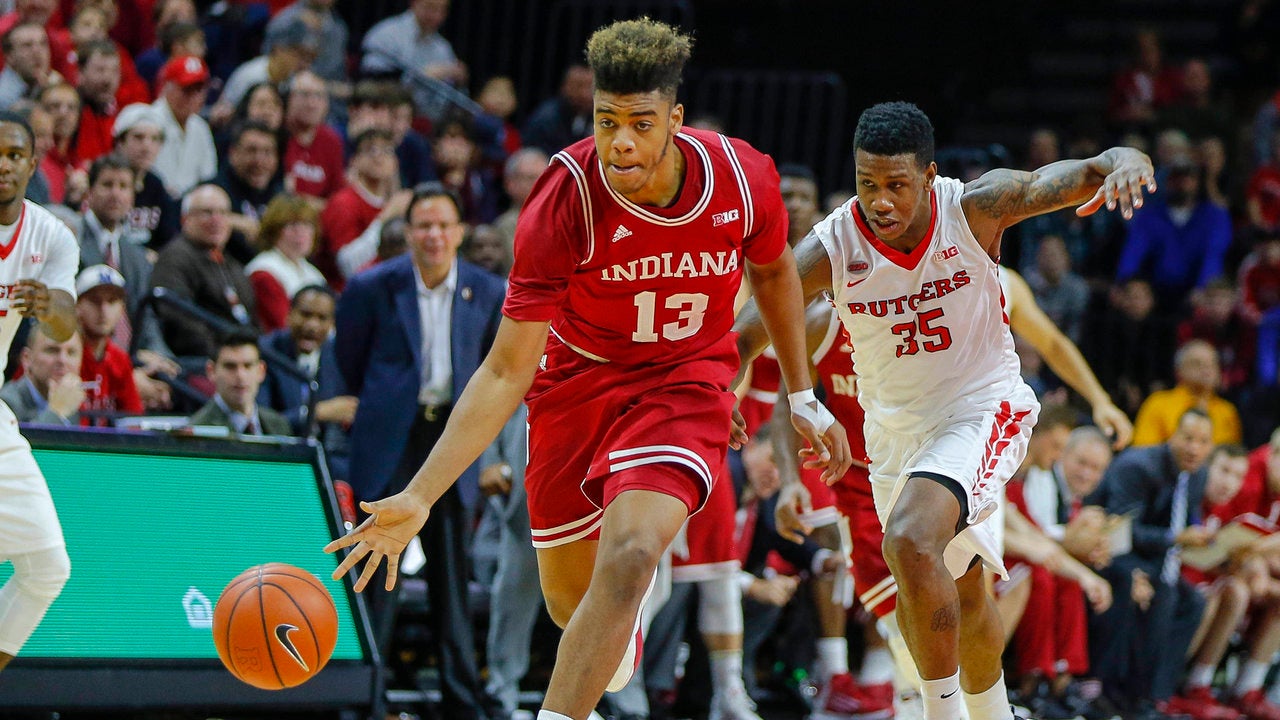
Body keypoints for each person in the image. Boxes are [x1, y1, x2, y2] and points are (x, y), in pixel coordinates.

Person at [326, 19, 848, 720]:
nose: (621, 141)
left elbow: (777, 274)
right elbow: (508, 369)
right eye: (607, 121)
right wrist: (421, 496)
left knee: (632, 553)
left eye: (640, 123)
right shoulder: (564, 195)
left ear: (676, 120)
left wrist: (802, 392)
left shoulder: (741, 176)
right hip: (578, 385)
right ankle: (614, 632)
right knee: (574, 611)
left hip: (686, 380)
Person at [736, 100, 1153, 720]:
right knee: (962, 588)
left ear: (929, 177)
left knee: (907, 539)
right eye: (867, 183)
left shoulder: (974, 206)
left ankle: (940, 713)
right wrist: (721, 389)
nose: (880, 201)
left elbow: (1082, 172)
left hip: (983, 409)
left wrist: (1126, 159)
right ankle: (992, 713)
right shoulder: (836, 241)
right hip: (894, 435)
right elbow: (752, 325)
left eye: (897, 185)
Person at [334, 183, 506, 719]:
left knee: (451, 576)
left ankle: (461, 698)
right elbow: (351, 360)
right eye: (423, 226)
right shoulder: (371, 287)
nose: (433, 235)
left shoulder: (489, 290)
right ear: (407, 233)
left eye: (443, 225)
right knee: (375, 573)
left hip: (453, 439)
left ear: (460, 232)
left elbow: (496, 374)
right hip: (390, 442)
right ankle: (366, 698)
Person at [0, 110, 76, 671]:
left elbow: (66, 324)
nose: (2, 166)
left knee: (49, 566)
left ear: (31, 164)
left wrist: (48, 308)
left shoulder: (51, 234)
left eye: (12, 155)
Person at [73, 264, 142, 424]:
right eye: (94, 301)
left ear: (122, 308)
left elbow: (134, 420)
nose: (104, 310)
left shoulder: (120, 358)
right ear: (77, 305)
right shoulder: (61, 352)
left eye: (112, 301)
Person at [189, 330, 290, 436]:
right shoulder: (198, 431)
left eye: (248, 366)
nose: (240, 376)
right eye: (230, 366)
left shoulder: (279, 424)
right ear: (211, 371)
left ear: (261, 371)